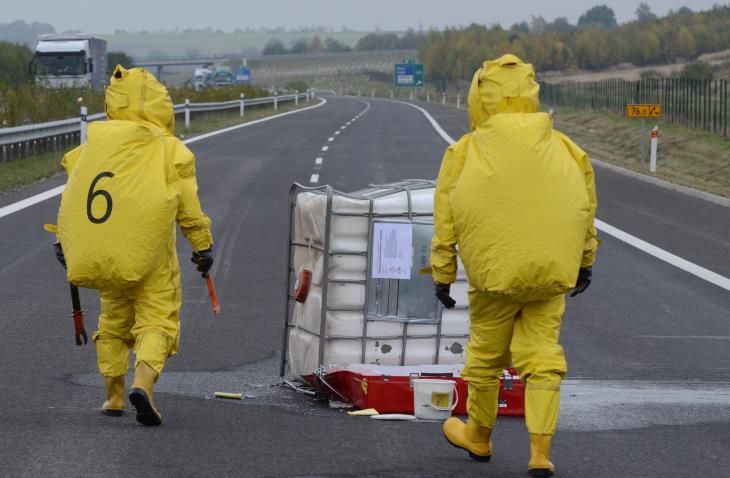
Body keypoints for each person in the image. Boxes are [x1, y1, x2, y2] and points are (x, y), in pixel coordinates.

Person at [431, 54, 599, 476]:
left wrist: (443, 273)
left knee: (485, 358)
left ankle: (479, 437)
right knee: (543, 359)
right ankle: (540, 452)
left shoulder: (464, 150)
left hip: (492, 277)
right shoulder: (565, 147)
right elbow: (584, 207)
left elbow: (446, 217)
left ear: (480, 97)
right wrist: (584, 262)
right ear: (530, 94)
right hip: (550, 276)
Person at [55, 65, 213, 426]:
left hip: (107, 253)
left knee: (112, 323)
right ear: (159, 104)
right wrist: (202, 246)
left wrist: (63, 239)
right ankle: (143, 385)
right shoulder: (168, 148)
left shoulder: (90, 147)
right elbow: (188, 206)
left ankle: (113, 396)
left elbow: (73, 199)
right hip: (151, 256)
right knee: (158, 319)